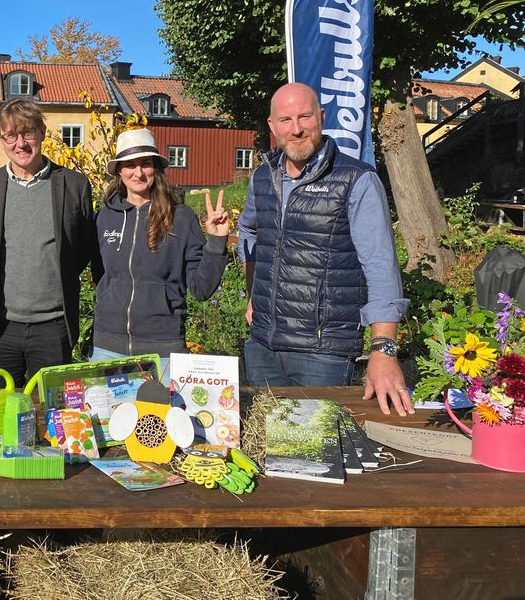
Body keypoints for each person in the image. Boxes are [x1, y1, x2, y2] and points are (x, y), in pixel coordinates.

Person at [237, 82, 413, 415]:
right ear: (272, 126)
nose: (297, 129)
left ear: (321, 117)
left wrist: (384, 349)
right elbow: (248, 228)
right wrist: (252, 294)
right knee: (264, 450)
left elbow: (379, 264)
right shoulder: (262, 178)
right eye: (286, 120)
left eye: (305, 117)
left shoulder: (355, 179)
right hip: (263, 347)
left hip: (321, 352)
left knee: (314, 454)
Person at [0, 99, 100, 387]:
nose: (21, 144)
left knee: (53, 416)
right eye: (10, 136)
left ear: (42, 132)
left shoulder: (74, 185)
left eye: (27, 133)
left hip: (53, 328)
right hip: (0, 327)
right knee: (1, 416)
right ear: (1, 140)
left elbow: (82, 248)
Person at [90, 128, 230, 385]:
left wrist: (216, 241)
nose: (138, 172)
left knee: (161, 424)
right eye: (130, 165)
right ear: (119, 171)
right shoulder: (105, 217)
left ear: (156, 168)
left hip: (162, 350)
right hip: (107, 348)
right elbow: (102, 276)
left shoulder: (181, 218)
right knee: (106, 423)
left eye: (145, 164)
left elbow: (201, 288)